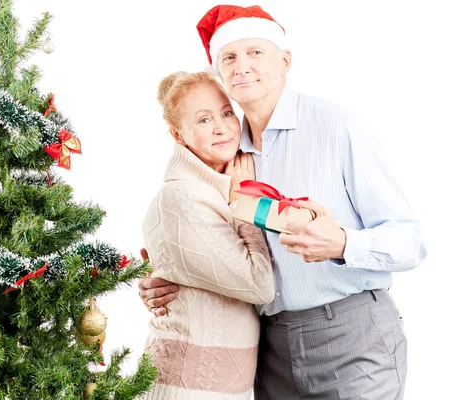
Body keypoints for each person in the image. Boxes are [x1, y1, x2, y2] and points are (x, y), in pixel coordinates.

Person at [138, 5, 428, 400]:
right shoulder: (225, 152)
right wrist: (165, 277)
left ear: (285, 61)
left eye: (255, 52)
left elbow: (412, 241)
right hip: (269, 349)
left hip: (350, 336)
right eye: (229, 57)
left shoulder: (336, 129)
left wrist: (344, 244)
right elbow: (198, 234)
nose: (242, 67)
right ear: (220, 73)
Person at [140, 70, 276, 400]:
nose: (221, 127)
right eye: (203, 120)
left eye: (227, 113)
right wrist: (245, 205)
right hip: (187, 390)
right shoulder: (183, 198)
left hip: (224, 387)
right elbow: (260, 284)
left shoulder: (217, 187)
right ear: (179, 135)